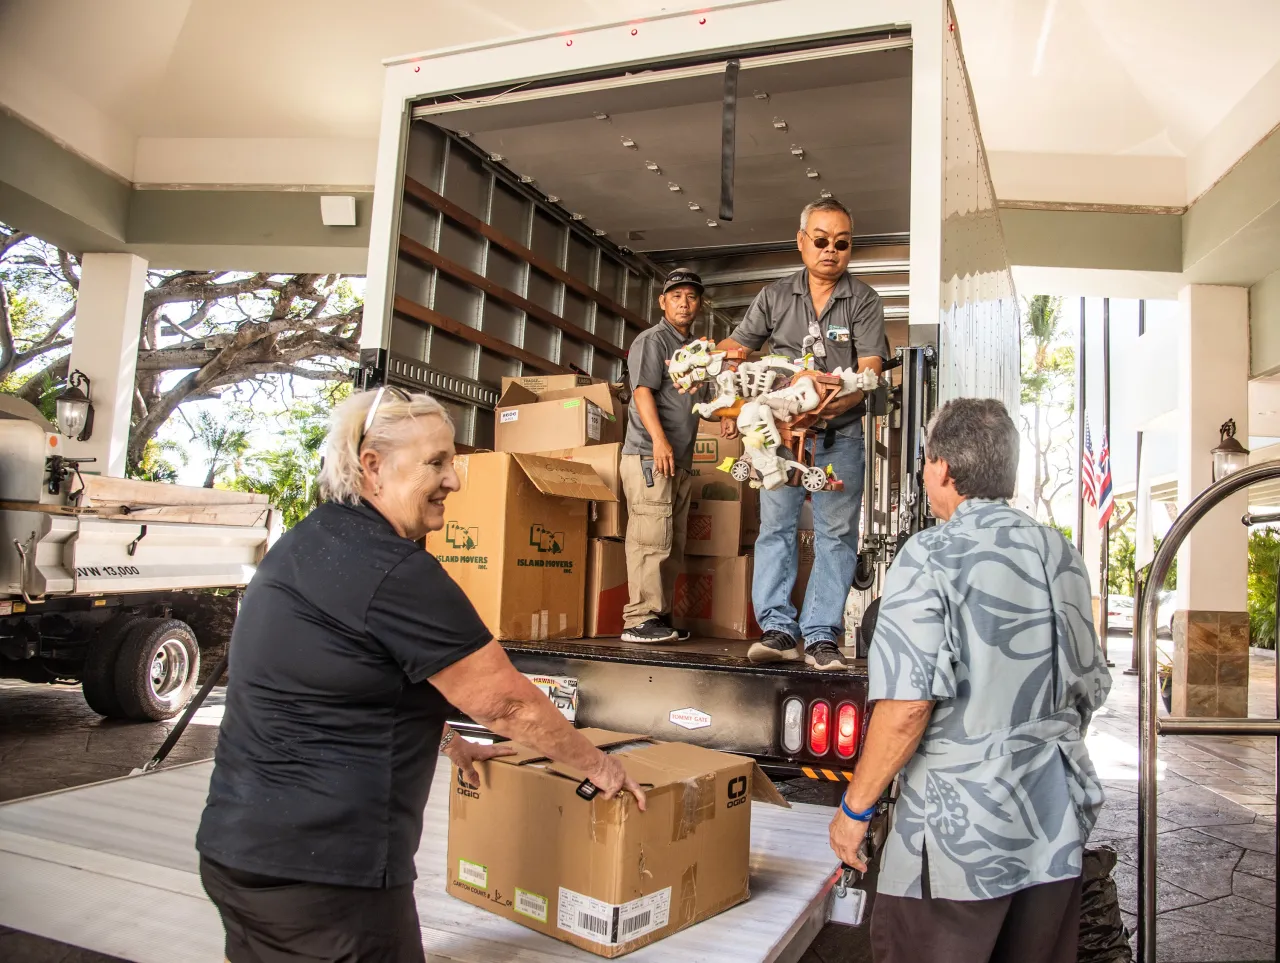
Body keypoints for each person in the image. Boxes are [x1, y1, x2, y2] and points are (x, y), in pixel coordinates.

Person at [196, 386, 647, 963]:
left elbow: (344, 677)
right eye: (436, 462)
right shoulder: (395, 572)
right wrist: (601, 767)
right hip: (328, 881)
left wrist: (450, 741)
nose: (454, 480)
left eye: (451, 460)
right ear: (373, 467)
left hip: (241, 856)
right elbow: (507, 705)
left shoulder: (306, 544)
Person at [828, 398, 1111, 963]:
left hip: (959, 848)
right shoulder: (1062, 554)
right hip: (1053, 830)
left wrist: (855, 810)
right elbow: (1089, 686)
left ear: (942, 469)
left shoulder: (931, 554)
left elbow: (908, 706)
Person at [717, 197, 888, 670]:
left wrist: (834, 398)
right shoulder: (774, 296)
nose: (830, 250)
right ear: (801, 242)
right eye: (820, 240)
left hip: (841, 435)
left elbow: (870, 367)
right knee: (776, 528)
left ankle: (820, 636)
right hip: (780, 438)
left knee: (836, 534)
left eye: (841, 243)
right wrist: (707, 361)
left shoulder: (865, 299)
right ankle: (777, 630)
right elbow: (737, 346)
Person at [619, 267, 710, 643]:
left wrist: (729, 418)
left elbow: (704, 402)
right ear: (663, 302)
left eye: (690, 296)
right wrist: (658, 440)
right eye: (676, 296)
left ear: (699, 304)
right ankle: (639, 619)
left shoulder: (694, 351)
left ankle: (659, 617)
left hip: (679, 461)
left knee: (671, 541)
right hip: (648, 454)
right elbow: (642, 392)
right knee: (650, 537)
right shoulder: (652, 340)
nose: (684, 303)